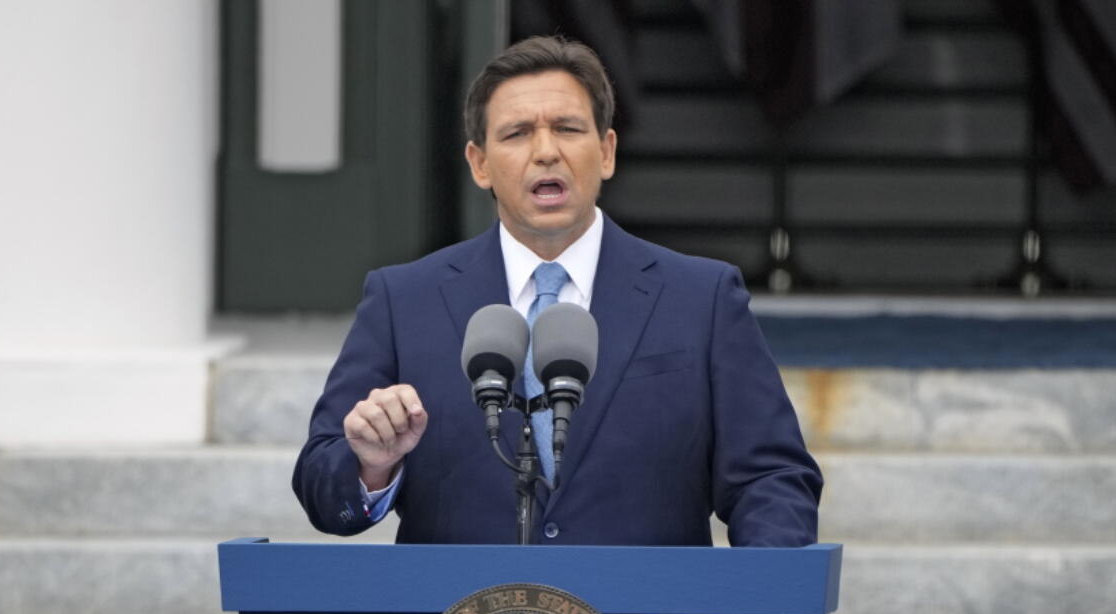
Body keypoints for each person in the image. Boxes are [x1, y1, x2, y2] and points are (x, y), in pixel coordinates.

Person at [293, 35, 821, 547]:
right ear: (479, 164)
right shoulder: (403, 301)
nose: (546, 152)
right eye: (517, 133)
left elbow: (771, 478)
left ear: (607, 151)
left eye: (568, 129)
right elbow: (322, 488)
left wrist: (762, 604)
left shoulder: (702, 298)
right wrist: (371, 463)